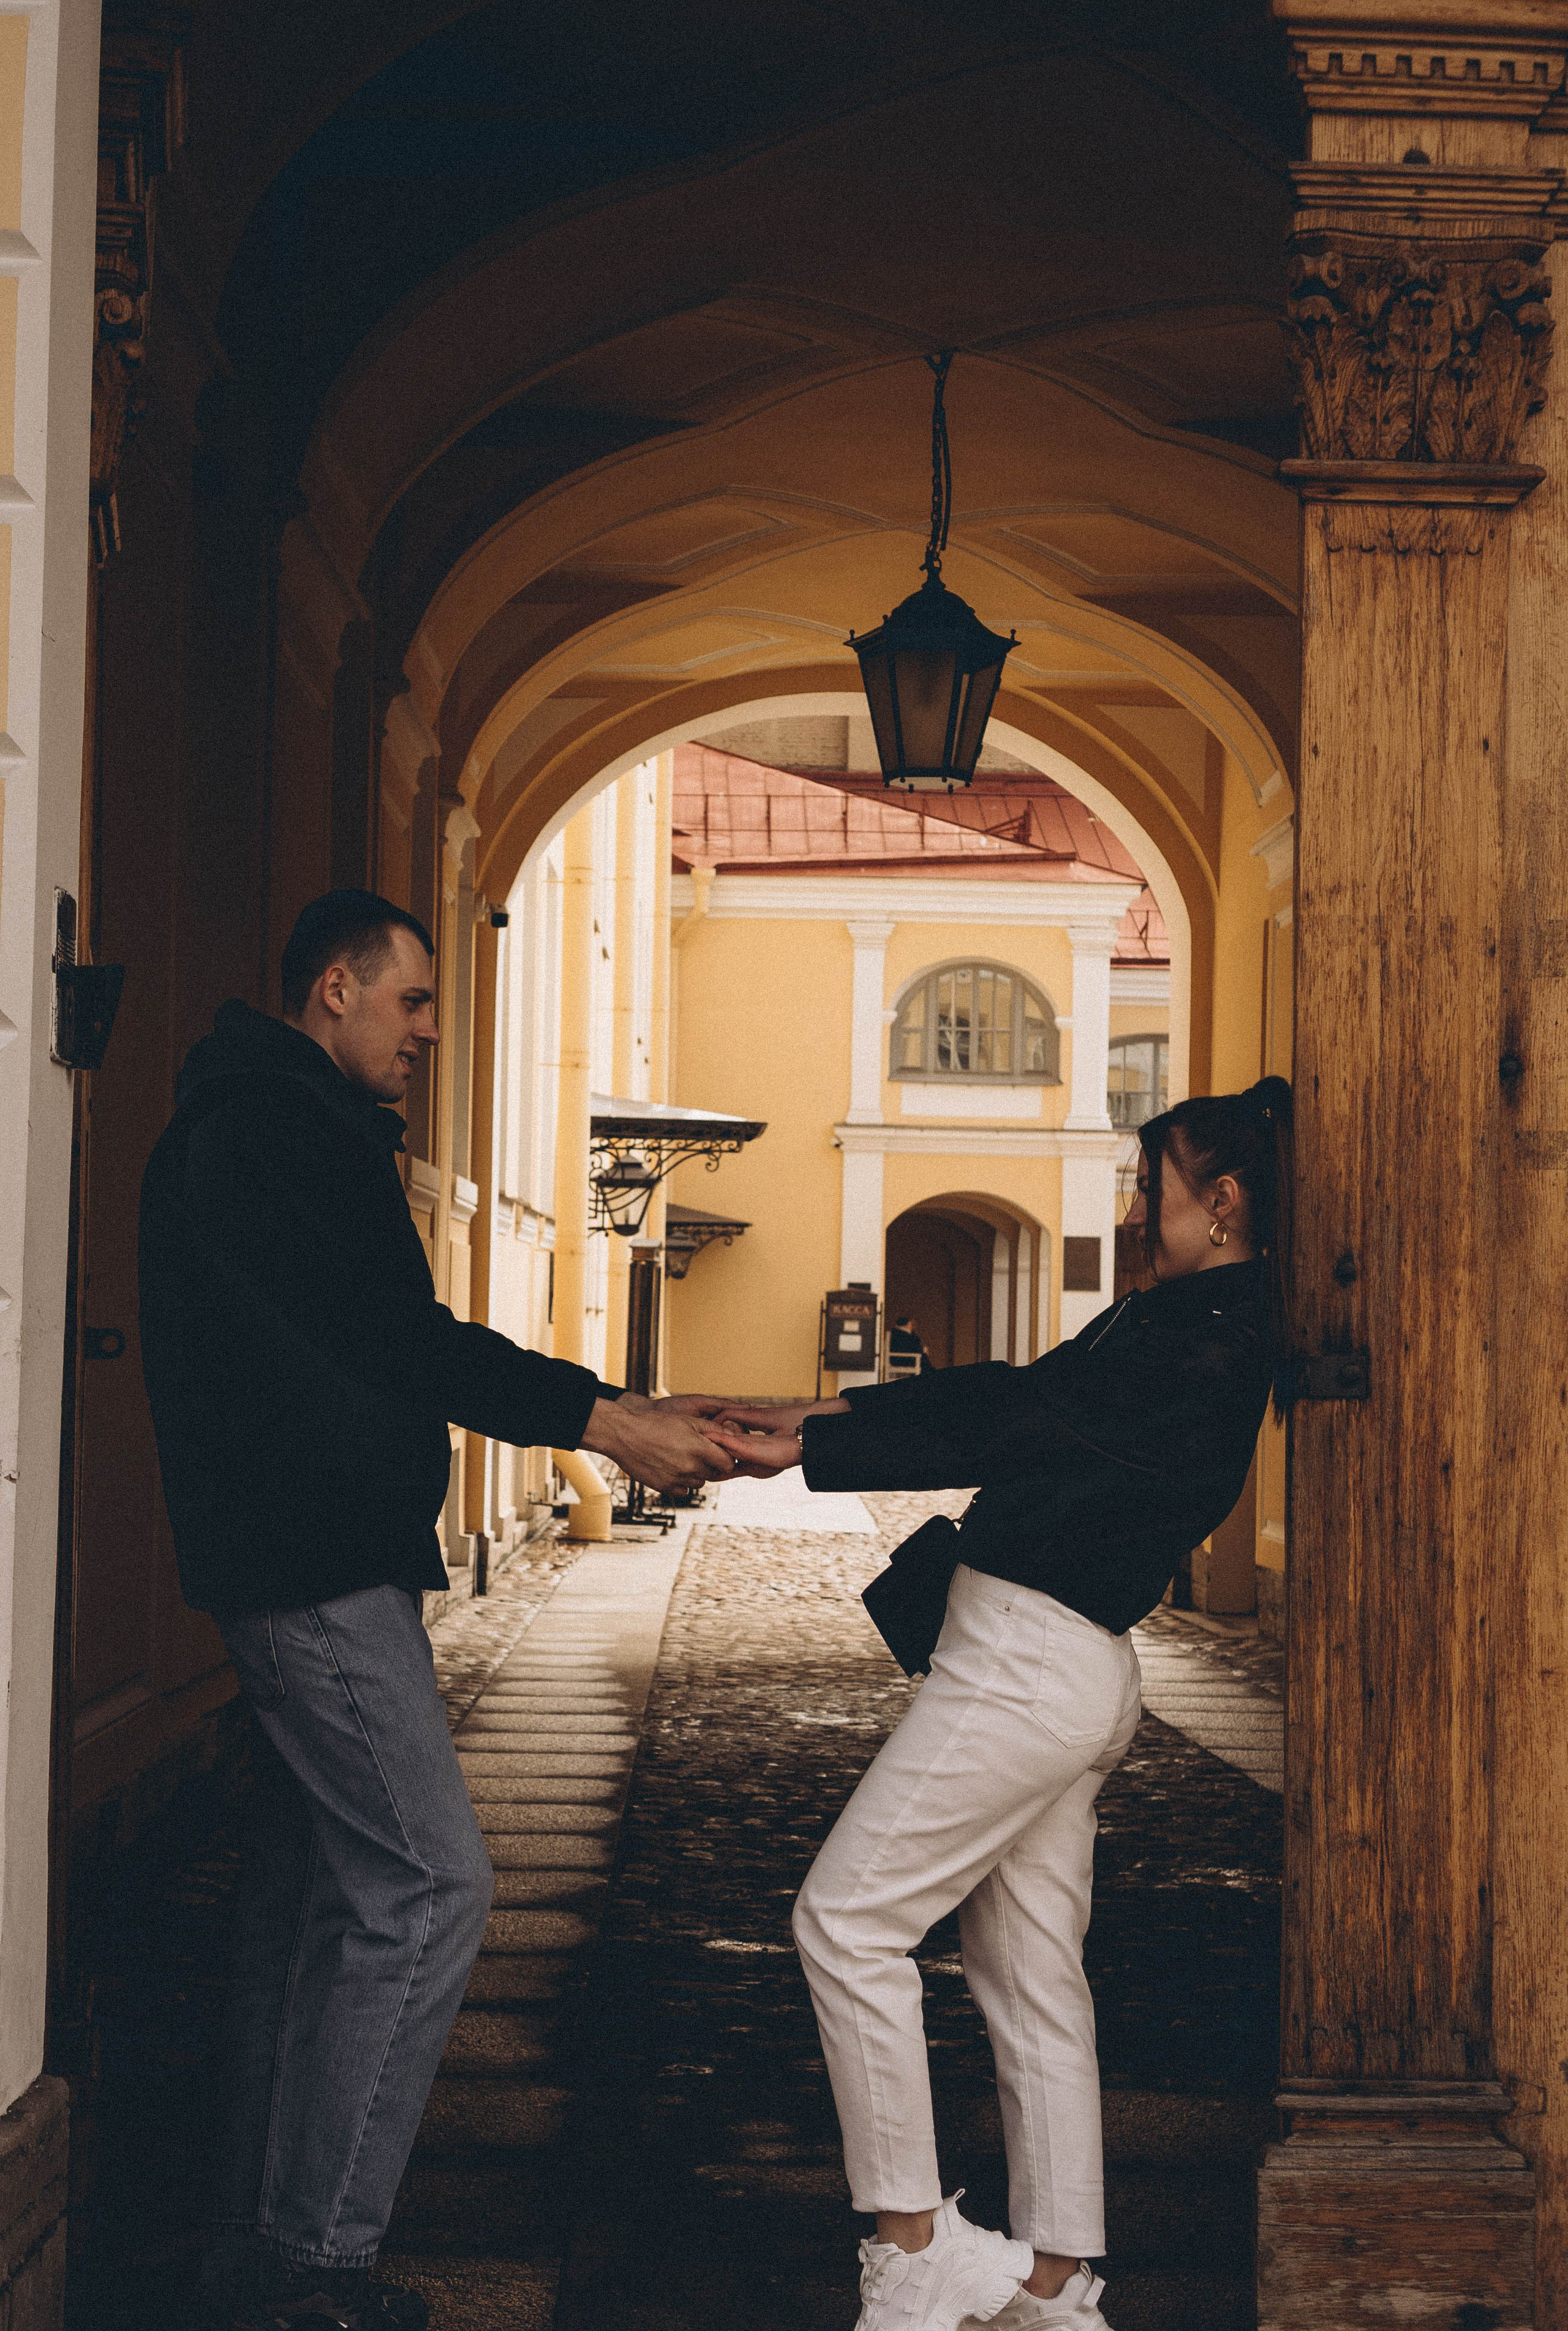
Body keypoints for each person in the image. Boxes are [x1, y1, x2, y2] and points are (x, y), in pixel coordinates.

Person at [138, 890, 737, 2331]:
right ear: (332, 987)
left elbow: (370, 1342)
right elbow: (392, 1341)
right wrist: (602, 1419)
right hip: (311, 1565)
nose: (424, 1035)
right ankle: (315, 2266)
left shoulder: (278, 1125)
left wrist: (602, 1412)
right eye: (410, 1004)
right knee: (427, 1889)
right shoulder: (271, 1136)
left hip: (313, 1554)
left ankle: (262, 2249)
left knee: (320, 1900)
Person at [714, 1080, 1292, 2331]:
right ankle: (1053, 2282)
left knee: (843, 1923)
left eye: (1157, 1188)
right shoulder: (1198, 1326)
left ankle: (913, 2247)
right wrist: (808, 1421)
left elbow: (1007, 1412)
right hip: (1056, 1665)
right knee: (1029, 1978)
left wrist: (806, 1445)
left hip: (1025, 1668)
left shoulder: (1192, 1335)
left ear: (1223, 1202)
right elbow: (1008, 1394)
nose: (1144, 1213)